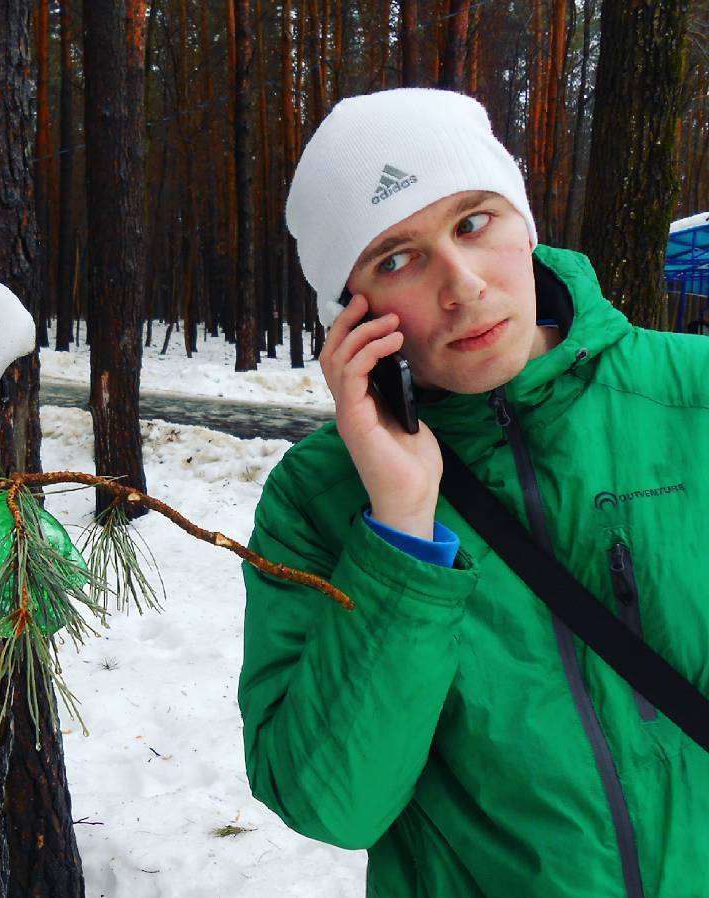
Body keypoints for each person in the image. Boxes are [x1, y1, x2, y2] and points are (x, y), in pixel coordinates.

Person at [237, 88, 708, 898]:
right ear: (353, 314)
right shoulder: (314, 501)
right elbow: (333, 805)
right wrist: (401, 529)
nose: (462, 286)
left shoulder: (693, 399)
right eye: (397, 259)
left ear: (525, 224)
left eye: (474, 222)